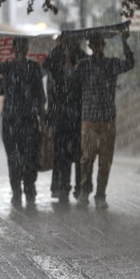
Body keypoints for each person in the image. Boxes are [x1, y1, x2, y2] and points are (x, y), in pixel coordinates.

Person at [70, 31, 134, 208]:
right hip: (89, 118)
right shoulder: (83, 66)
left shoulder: (111, 64)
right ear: (90, 46)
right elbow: (71, 80)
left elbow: (129, 64)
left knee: (105, 160)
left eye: (99, 43)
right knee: (87, 158)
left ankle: (100, 194)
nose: (96, 46)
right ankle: (84, 190)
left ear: (102, 45)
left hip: (107, 118)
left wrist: (125, 43)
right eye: (93, 43)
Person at [0, 37, 46, 206]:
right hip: (10, 121)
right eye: (17, 46)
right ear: (13, 49)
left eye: (23, 45)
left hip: (29, 120)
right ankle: (16, 191)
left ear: (26, 48)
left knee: (29, 158)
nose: (20, 49)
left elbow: (40, 96)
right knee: (13, 159)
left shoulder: (33, 68)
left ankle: (29, 189)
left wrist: (43, 118)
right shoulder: (8, 68)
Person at [43, 36, 88, 204]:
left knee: (78, 154)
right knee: (62, 154)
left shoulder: (82, 58)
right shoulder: (55, 57)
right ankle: (63, 187)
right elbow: (51, 78)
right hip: (61, 115)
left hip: (77, 114)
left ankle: (79, 187)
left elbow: (82, 79)